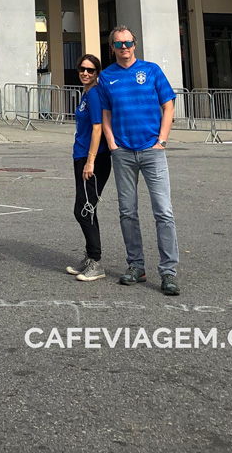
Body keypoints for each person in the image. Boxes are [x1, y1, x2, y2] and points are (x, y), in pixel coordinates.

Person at [95, 25, 181, 297]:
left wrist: (162, 140)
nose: (124, 48)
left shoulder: (152, 70)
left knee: (163, 212)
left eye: (128, 43)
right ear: (112, 48)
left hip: (152, 151)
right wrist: (111, 142)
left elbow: (168, 105)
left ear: (135, 44)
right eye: (118, 44)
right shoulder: (106, 77)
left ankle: (168, 272)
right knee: (127, 212)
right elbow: (106, 113)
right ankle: (136, 266)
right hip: (123, 153)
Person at [66, 53, 111, 281]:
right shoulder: (85, 94)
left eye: (90, 70)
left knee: (84, 210)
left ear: (97, 73)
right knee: (86, 208)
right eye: (82, 69)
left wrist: (90, 161)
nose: (85, 73)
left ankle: (95, 261)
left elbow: (97, 128)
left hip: (93, 159)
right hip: (81, 155)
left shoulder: (94, 94)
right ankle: (90, 257)